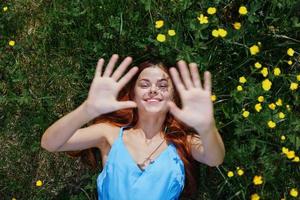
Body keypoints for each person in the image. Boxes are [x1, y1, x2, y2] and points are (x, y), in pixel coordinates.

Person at [41, 54, 225, 200]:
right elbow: (50, 143)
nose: (153, 89)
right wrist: (87, 110)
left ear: (173, 96)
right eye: (144, 84)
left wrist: (208, 127)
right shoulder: (109, 134)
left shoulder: (183, 141)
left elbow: (215, 158)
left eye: (162, 85)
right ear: (133, 94)